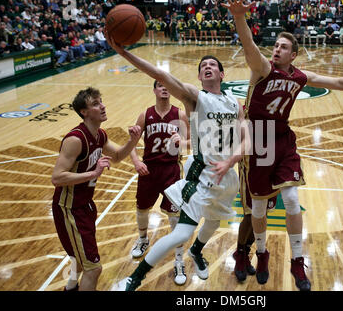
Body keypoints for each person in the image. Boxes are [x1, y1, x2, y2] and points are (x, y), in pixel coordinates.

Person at [223, 0, 343, 291]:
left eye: (283, 47)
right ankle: (261, 253)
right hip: (258, 141)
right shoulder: (262, 68)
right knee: (258, 210)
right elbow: (249, 45)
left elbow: (335, 81)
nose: (276, 49)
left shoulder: (300, 76)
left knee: (290, 199)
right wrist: (239, 17)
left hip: (283, 139)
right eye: (275, 45)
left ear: (294, 55)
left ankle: (297, 262)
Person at [105, 32, 250, 291]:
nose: (207, 67)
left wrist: (232, 161)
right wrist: (125, 53)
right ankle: (134, 279)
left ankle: (196, 251)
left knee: (215, 221)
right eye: (203, 66)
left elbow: (247, 139)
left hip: (227, 175)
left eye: (212, 65)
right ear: (199, 77)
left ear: (222, 74)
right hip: (203, 174)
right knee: (181, 233)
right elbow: (162, 76)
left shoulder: (234, 103)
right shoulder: (196, 97)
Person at [51, 87, 142, 291]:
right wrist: (93, 174)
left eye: (101, 101)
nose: (102, 106)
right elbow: (56, 177)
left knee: (80, 260)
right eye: (95, 104)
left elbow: (117, 157)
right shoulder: (75, 139)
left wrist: (132, 141)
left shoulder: (99, 135)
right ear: (84, 112)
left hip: (85, 205)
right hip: (70, 209)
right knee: (93, 269)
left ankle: (71, 288)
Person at [129, 80, 190, 286]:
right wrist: (136, 161)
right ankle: (143, 238)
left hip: (171, 169)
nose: (164, 88)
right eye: (160, 86)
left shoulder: (180, 114)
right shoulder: (145, 115)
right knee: (142, 208)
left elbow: (190, 141)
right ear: (154, 90)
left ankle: (179, 259)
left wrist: (180, 141)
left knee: (175, 217)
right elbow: (131, 143)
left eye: (167, 86)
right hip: (149, 169)